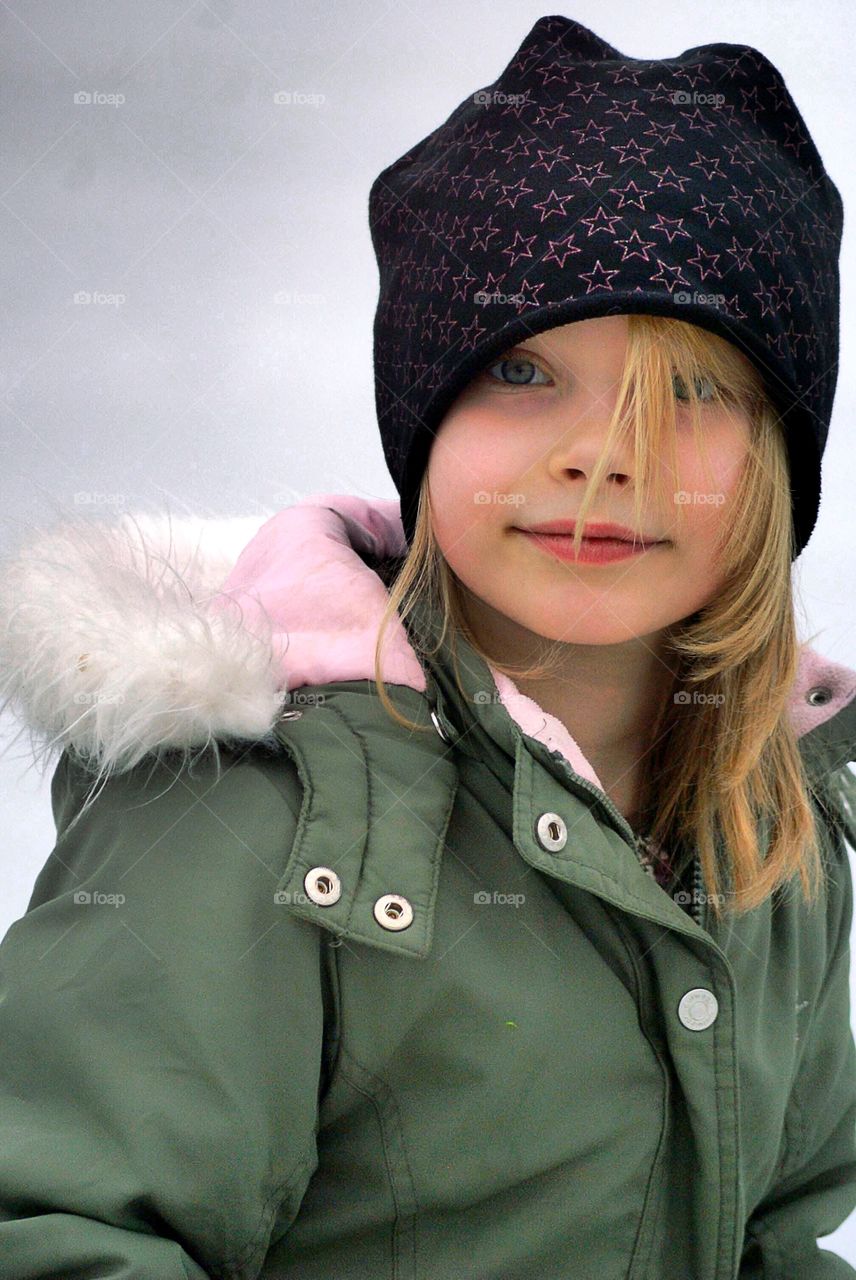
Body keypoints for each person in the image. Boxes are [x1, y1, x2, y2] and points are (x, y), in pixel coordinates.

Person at [0, 13, 855, 1279]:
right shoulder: (265, 808)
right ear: (425, 418)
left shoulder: (772, 822)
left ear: (776, 463)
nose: (604, 450)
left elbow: (773, 1231)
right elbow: (62, 1226)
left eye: (688, 389)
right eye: (522, 369)